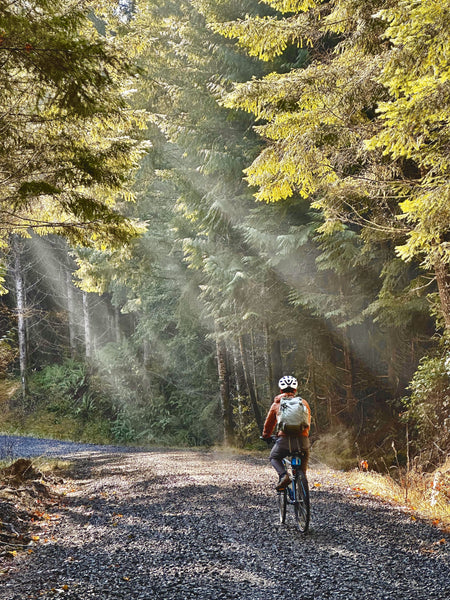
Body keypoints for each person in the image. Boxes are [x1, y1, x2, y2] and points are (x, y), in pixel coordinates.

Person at [261, 375, 311, 490]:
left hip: (284, 441)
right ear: (295, 389)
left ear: (281, 389)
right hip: (303, 441)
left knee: (274, 457)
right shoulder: (303, 403)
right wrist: (304, 435)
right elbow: (307, 422)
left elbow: (269, 424)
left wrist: (266, 436)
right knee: (302, 469)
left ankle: (283, 476)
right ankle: (303, 484)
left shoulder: (277, 404)